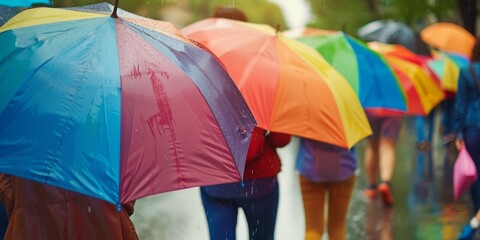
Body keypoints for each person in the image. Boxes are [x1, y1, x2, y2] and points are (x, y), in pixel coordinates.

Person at [0, 174, 138, 239]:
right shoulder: (105, 119)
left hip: (33, 224)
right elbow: (129, 177)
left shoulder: (17, 123)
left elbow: (7, 187)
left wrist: (23, 203)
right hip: (103, 220)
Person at [295, 138, 357, 240]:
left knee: (313, 229)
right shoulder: (349, 121)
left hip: (310, 166)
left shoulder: (308, 120)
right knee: (337, 229)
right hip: (343, 168)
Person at [454, 37, 480, 240]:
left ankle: (476, 212)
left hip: (472, 128)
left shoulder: (466, 72)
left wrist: (458, 132)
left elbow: (460, 105)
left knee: (474, 173)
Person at [362, 110, 403, 206]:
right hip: (393, 107)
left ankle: (371, 186)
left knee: (372, 146)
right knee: (388, 146)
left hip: (370, 106)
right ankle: (385, 182)